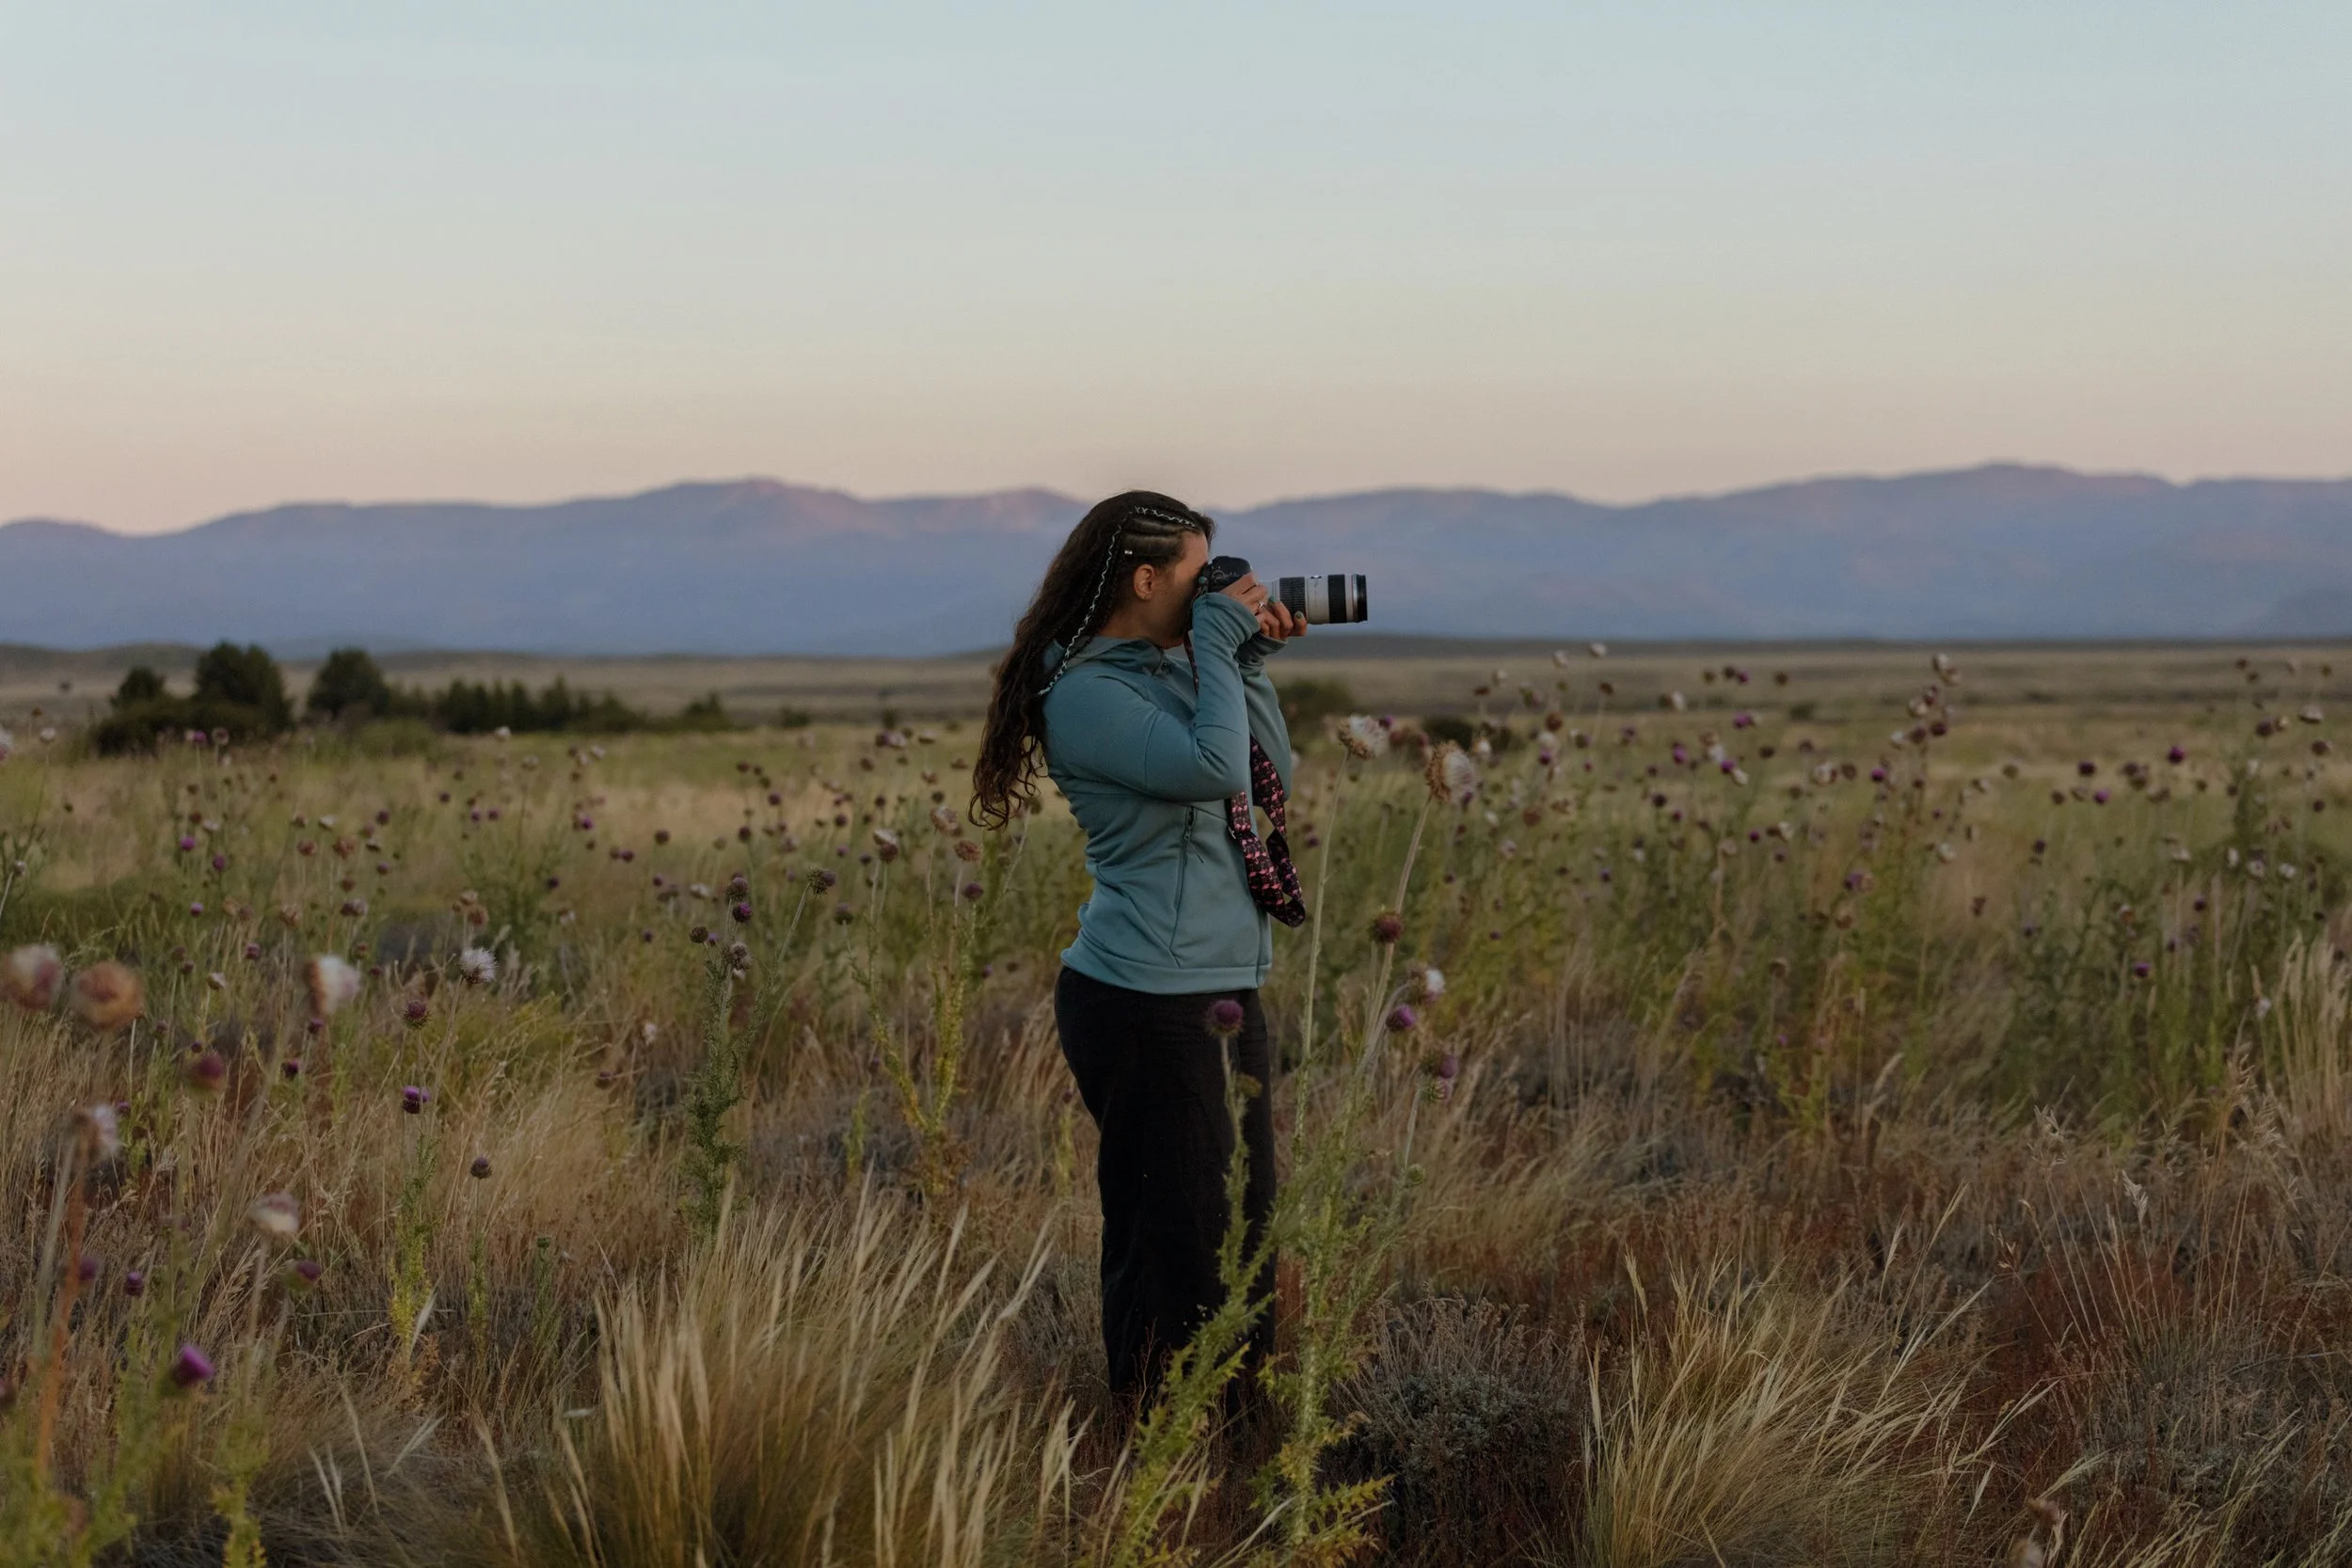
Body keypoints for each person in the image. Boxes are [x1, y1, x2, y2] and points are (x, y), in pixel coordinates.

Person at [971, 491, 1308, 1418]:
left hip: (1221, 981)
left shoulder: (1168, 669)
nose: (1219, 590)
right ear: (1147, 579)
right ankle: (1164, 1444)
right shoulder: (1087, 691)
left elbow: (1268, 772)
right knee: (1178, 1240)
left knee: (1240, 1229)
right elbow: (1211, 769)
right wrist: (1218, 652)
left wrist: (1250, 659)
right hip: (1147, 997)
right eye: (1202, 577)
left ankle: (1229, 1443)